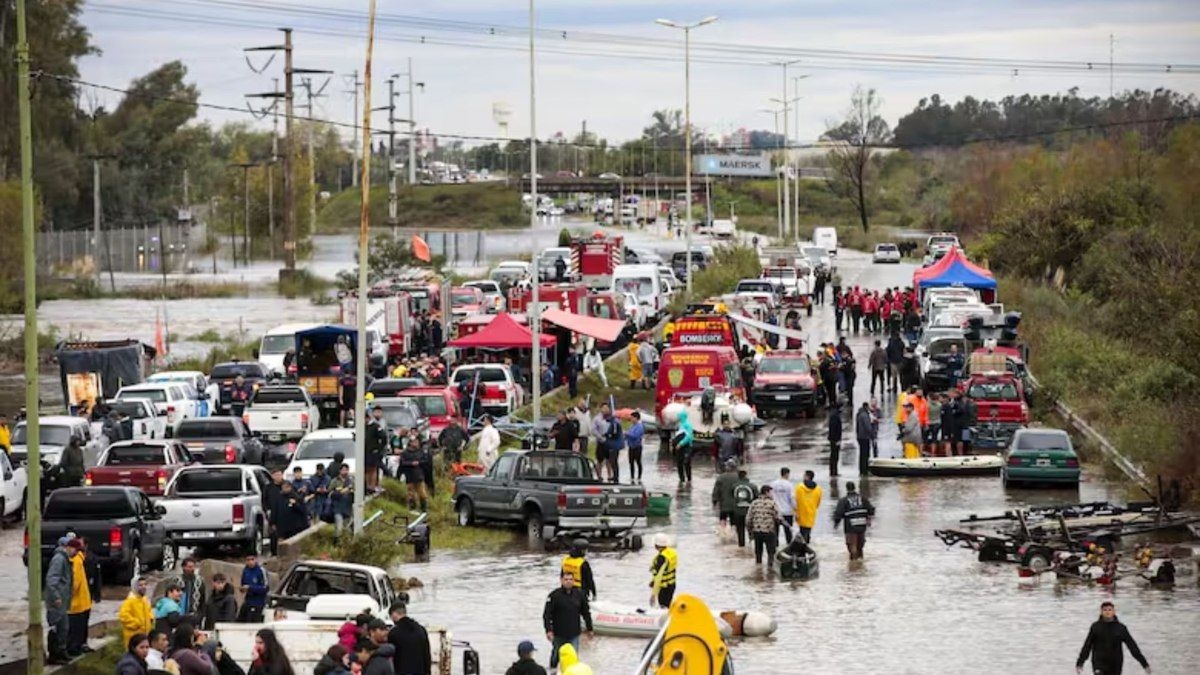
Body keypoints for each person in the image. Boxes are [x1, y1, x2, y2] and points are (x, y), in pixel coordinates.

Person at [1075, 601, 1151, 675]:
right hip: (1099, 663)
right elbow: (1087, 646)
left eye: (1110, 609)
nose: (1107, 612)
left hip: (1115, 664)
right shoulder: (1095, 627)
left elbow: (1132, 646)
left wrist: (1144, 664)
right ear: (1101, 612)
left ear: (1114, 612)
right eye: (1105, 610)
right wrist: (1080, 662)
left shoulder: (1121, 628)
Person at [543, 571, 593, 672]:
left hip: (574, 633)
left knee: (573, 657)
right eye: (566, 579)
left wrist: (590, 629)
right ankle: (552, 672)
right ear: (561, 580)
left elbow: (586, 613)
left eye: (571, 579)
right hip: (558, 633)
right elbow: (546, 615)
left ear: (574, 581)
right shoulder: (554, 596)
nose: (568, 582)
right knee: (556, 655)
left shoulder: (579, 595)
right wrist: (548, 630)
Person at [832, 481, 876, 560]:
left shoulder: (843, 500)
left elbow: (838, 513)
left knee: (852, 546)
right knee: (860, 547)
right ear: (854, 488)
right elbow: (871, 509)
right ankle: (860, 564)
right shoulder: (863, 498)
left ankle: (853, 566)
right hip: (862, 524)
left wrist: (836, 524)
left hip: (850, 526)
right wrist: (868, 518)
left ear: (846, 488)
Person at [387, 601, 431, 675]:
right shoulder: (421, 629)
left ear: (394, 614)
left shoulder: (394, 633)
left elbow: (392, 658)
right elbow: (427, 655)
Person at [66, 536, 93, 656]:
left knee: (74, 629)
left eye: (69, 548)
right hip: (84, 601)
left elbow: (75, 582)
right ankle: (80, 646)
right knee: (81, 628)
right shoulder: (81, 559)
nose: (67, 550)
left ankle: (74, 649)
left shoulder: (75, 561)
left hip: (76, 603)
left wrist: (67, 596)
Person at [747, 485, 781, 565]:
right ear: (766, 492)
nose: (772, 494)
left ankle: (758, 568)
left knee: (758, 552)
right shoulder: (772, 503)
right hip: (769, 531)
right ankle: (770, 569)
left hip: (757, 532)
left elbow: (748, 519)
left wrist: (750, 532)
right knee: (770, 552)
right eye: (771, 492)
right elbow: (778, 517)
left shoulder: (754, 503)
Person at [119, 577, 154, 648]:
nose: (144, 587)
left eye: (145, 584)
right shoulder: (129, 601)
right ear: (135, 587)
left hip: (144, 636)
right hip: (134, 639)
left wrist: (151, 618)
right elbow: (123, 617)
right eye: (140, 585)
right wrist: (137, 623)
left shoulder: (145, 600)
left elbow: (149, 611)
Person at [399, 438, 429, 512]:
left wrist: (418, 462)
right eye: (415, 442)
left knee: (422, 493)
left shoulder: (421, 452)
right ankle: (412, 509)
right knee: (411, 493)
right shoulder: (405, 453)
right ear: (410, 443)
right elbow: (402, 463)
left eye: (417, 442)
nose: (417, 443)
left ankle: (424, 509)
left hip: (419, 475)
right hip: (409, 475)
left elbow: (425, 461)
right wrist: (411, 463)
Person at [648, 533, 678, 608]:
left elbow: (659, 576)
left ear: (656, 545)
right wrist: (653, 581)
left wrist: (653, 595)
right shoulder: (671, 553)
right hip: (671, 584)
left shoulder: (661, 558)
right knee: (668, 605)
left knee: (663, 607)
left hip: (664, 588)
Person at [728, 469, 756, 548]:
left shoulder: (734, 486)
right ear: (746, 475)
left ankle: (741, 546)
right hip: (749, 512)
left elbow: (731, 498)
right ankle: (752, 547)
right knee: (751, 529)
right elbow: (757, 498)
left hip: (737, 511)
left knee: (740, 530)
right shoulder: (752, 486)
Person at [238, 555, 269, 623]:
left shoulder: (261, 570)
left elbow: (265, 588)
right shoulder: (245, 570)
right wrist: (242, 589)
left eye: (252, 559)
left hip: (259, 603)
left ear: (256, 559)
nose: (250, 562)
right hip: (248, 602)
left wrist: (251, 588)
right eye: (248, 560)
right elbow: (243, 584)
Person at [794, 470, 822, 543]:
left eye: (804, 475)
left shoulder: (799, 487)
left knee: (802, 531)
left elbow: (795, 501)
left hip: (801, 513)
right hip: (811, 513)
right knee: (808, 531)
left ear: (807, 476)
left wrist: (795, 512)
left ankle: (803, 548)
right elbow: (818, 503)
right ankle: (806, 546)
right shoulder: (818, 489)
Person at [769, 468, 796, 544]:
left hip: (776, 511)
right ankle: (789, 548)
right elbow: (792, 498)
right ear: (787, 474)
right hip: (787, 512)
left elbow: (770, 496)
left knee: (775, 532)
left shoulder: (773, 484)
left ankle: (775, 548)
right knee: (788, 532)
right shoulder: (789, 485)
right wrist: (795, 509)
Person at [365, 405, 387, 492]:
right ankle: (366, 486)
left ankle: (372, 486)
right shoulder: (362, 427)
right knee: (366, 470)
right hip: (364, 452)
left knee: (373, 469)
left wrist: (379, 449)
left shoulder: (375, 426)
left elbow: (384, 437)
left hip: (373, 452)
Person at [329, 463, 355, 535]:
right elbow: (330, 493)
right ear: (340, 471)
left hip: (348, 508)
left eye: (346, 470)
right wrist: (340, 492)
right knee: (339, 528)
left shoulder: (351, 480)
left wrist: (350, 491)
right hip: (338, 508)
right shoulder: (335, 481)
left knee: (348, 528)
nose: (345, 472)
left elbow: (356, 491)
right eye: (343, 470)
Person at [671, 410, 695, 485]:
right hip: (678, 447)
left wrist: (681, 443)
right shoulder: (679, 425)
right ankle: (681, 479)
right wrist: (673, 445)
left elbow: (689, 436)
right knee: (679, 463)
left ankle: (689, 479)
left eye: (679, 416)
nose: (678, 417)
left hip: (686, 446)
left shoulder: (688, 425)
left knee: (686, 462)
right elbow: (676, 436)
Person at [855, 402, 875, 475]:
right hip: (865, 437)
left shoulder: (859, 414)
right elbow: (868, 427)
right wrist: (872, 434)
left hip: (860, 436)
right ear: (866, 407)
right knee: (865, 454)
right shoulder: (865, 415)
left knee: (862, 454)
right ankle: (865, 470)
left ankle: (861, 469)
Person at [625, 411, 645, 483]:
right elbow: (629, 435)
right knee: (631, 462)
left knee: (638, 461)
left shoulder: (640, 426)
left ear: (636, 418)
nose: (631, 419)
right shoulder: (631, 426)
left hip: (637, 447)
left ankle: (639, 476)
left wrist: (627, 434)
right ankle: (632, 476)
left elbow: (635, 436)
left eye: (632, 418)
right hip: (631, 446)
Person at [827, 404, 843, 477]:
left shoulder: (833, 415)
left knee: (834, 456)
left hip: (833, 439)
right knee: (835, 456)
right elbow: (835, 429)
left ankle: (834, 471)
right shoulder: (835, 416)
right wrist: (837, 439)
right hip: (835, 439)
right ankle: (833, 472)